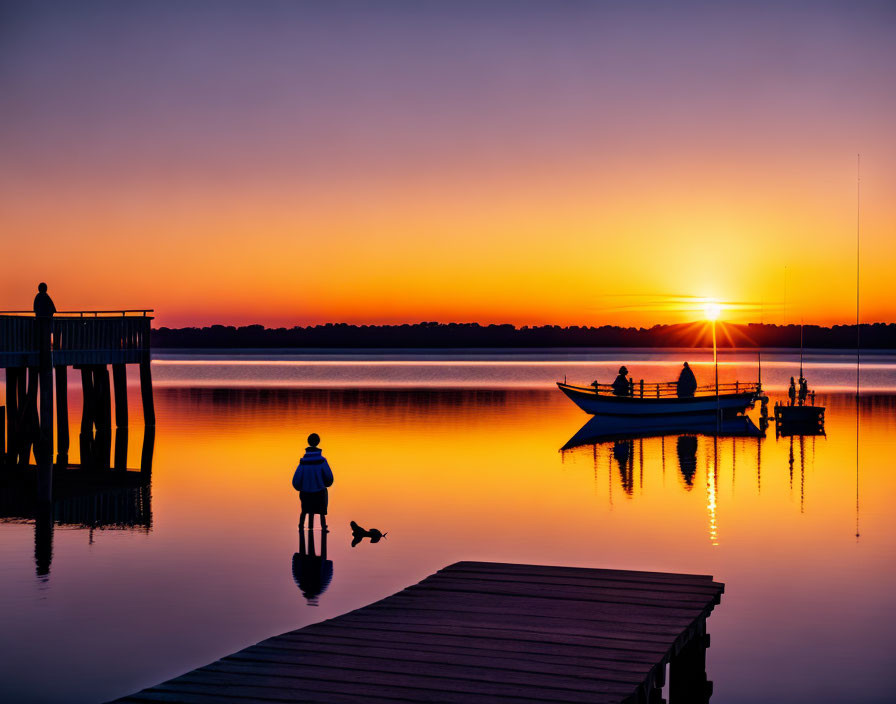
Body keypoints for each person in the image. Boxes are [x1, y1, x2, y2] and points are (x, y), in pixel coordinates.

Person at [292, 433, 334, 532]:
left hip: (305, 492)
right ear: (318, 442)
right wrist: (325, 484)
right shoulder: (322, 461)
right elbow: (329, 477)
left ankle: (301, 527)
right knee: (322, 512)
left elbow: (296, 480)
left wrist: (300, 487)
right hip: (320, 491)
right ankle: (323, 528)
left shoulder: (303, 462)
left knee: (304, 510)